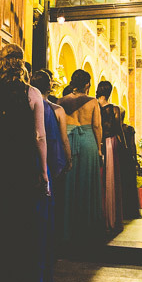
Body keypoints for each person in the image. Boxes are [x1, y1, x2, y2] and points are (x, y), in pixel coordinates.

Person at [0, 44, 48, 282]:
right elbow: (40, 136)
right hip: (23, 167)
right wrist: (43, 172)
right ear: (22, 63)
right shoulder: (32, 93)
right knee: (23, 228)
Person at [30, 70, 71, 282]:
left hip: (33, 161)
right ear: (50, 87)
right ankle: (49, 255)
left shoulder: (28, 104)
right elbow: (61, 138)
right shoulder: (56, 110)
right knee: (50, 209)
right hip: (51, 162)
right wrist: (68, 158)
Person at [59, 69, 104, 248]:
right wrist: (99, 150)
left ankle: (67, 228)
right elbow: (97, 126)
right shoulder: (92, 102)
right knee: (87, 183)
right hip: (87, 141)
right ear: (87, 84)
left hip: (68, 139)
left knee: (68, 185)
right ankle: (86, 229)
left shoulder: (61, 101)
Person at [97, 80, 125, 237]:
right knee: (111, 180)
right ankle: (111, 218)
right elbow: (119, 129)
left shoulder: (93, 105)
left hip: (96, 141)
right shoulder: (113, 109)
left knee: (99, 179)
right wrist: (126, 148)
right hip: (110, 143)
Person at [120, 109, 142, 220]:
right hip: (128, 160)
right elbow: (132, 146)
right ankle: (131, 210)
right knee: (130, 185)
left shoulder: (116, 130)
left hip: (119, 159)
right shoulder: (129, 129)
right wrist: (135, 161)